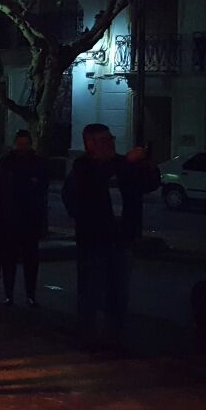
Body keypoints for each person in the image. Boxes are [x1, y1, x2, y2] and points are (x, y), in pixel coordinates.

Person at [62, 124, 161, 351]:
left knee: (118, 291)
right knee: (91, 290)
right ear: (90, 144)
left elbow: (148, 184)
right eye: (104, 140)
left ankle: (113, 338)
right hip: (94, 239)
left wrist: (148, 164)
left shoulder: (121, 164)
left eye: (111, 139)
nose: (110, 144)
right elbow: (89, 187)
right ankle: (87, 336)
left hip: (121, 238)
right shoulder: (84, 166)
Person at [0, 130, 49, 307]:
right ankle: (20, 294)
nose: (22, 148)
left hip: (24, 219)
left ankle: (20, 294)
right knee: (17, 259)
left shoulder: (9, 162)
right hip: (17, 219)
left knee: (24, 260)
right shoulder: (12, 162)